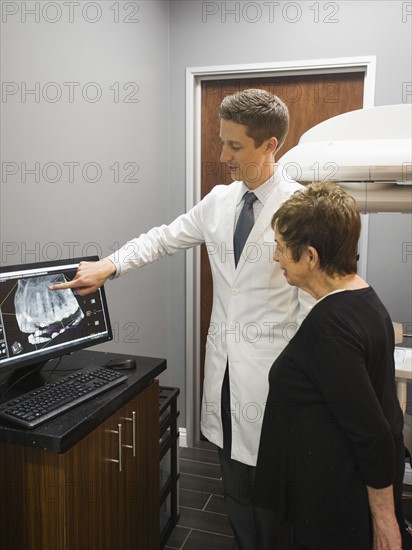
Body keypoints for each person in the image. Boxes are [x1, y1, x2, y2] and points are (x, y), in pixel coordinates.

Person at [50, 89, 313, 549]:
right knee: (233, 483)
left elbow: (316, 303)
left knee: (274, 498)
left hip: (278, 379)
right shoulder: (219, 201)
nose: (222, 155)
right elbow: (162, 239)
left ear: (270, 145)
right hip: (226, 371)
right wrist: (109, 265)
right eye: (221, 142)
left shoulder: (302, 208)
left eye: (234, 145)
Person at [253, 181, 411, 550]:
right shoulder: (365, 300)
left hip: (333, 504)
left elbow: (372, 432)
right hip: (332, 488)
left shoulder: (330, 328)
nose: (276, 258)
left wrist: (386, 522)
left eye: (280, 248)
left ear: (310, 256)